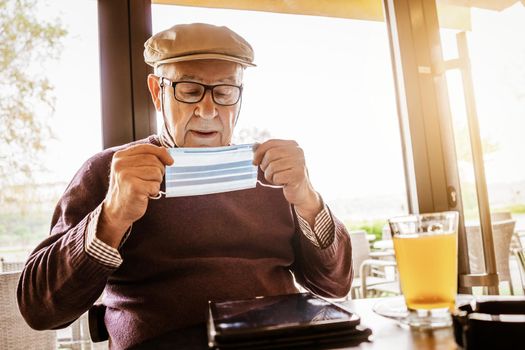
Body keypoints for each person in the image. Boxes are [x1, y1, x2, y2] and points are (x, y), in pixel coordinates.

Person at [17, 23, 353, 349]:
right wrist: (111, 217)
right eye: (189, 90)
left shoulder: (271, 171)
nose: (207, 110)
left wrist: (308, 201)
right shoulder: (108, 171)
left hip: (278, 340)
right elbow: (40, 310)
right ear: (156, 91)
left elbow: (335, 285)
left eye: (224, 92)